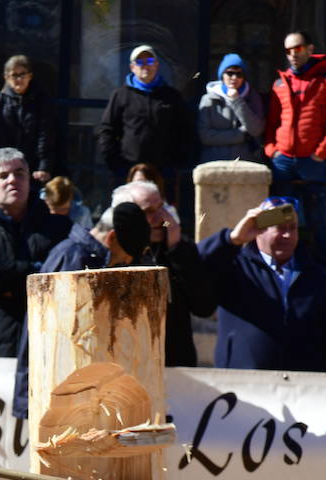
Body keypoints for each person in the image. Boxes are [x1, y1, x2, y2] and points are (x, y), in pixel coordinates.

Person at [11, 202, 151, 418]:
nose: (121, 265)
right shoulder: (72, 260)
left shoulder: (87, 257)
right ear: (111, 238)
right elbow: (53, 338)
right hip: (59, 394)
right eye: (122, 259)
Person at [196, 196, 326, 371]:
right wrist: (233, 239)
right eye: (281, 228)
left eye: (293, 228)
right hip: (241, 384)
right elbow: (196, 264)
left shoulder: (314, 274)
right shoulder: (234, 267)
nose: (288, 235)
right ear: (259, 230)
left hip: (303, 388)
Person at [0, 147, 71, 355]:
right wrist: (37, 271)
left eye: (19, 174)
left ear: (29, 181)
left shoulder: (59, 228)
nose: (12, 180)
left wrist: (8, 284)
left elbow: (65, 278)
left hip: (48, 341)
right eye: (3, 175)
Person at [264, 30, 326, 260]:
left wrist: (321, 152)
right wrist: (272, 150)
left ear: (310, 49)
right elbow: (272, 121)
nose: (292, 54)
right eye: (288, 50)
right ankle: (284, 265)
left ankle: (319, 269)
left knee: (316, 219)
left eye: (297, 48)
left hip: (312, 160)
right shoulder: (280, 82)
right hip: (283, 160)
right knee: (280, 219)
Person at [111, 178, 211, 366]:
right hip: (131, 364)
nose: (160, 218)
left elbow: (204, 306)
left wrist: (177, 249)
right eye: (148, 212)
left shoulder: (179, 246)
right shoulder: (116, 256)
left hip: (176, 363)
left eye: (161, 207)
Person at [95, 45, 190, 197]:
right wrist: (115, 164)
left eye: (150, 60)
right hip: (129, 169)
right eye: (140, 62)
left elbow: (185, 130)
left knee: (163, 217)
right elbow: (107, 130)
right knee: (129, 213)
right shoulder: (121, 95)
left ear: (157, 65)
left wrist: (177, 163)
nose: (146, 65)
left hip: (164, 171)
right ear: (132, 67)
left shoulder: (172, 96)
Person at [0, 54, 53, 182]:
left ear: (30, 76)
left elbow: (46, 134)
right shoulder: (0, 101)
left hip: (34, 167)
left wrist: (44, 165)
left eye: (22, 74)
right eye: (14, 75)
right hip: (6, 166)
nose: (19, 79)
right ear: (6, 77)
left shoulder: (40, 100)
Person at [197, 53, 265, 163]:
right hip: (214, 162)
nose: (234, 78)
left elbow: (256, 130)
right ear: (222, 75)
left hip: (246, 162)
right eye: (230, 73)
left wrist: (237, 101)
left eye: (239, 74)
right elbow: (205, 136)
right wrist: (242, 135)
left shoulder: (253, 97)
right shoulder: (208, 99)